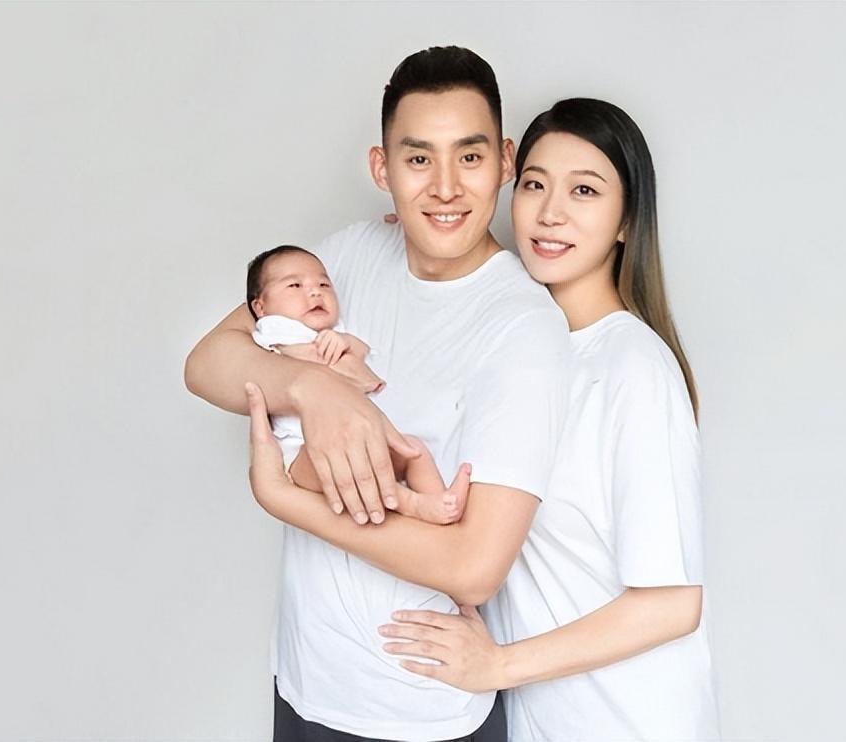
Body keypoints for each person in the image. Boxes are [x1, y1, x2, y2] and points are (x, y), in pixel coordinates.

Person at [186, 46, 571, 741]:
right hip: (304, 683)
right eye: (419, 158)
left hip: (416, 712)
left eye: (470, 156)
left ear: (506, 161)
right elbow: (208, 360)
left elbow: (474, 569)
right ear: (382, 168)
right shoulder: (346, 257)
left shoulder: (522, 326)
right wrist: (312, 388)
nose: (445, 187)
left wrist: (286, 499)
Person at [367, 99, 722, 740]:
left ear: (626, 221)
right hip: (539, 722)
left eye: (584, 190)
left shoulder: (632, 367)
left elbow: (673, 603)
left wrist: (497, 665)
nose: (550, 212)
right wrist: (427, 236)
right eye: (534, 185)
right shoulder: (517, 347)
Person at [247, 244, 471, 525]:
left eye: (324, 284)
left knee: (412, 449)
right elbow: (308, 361)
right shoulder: (275, 329)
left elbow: (361, 354)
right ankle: (413, 504)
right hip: (301, 454)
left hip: (357, 439)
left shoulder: (333, 330)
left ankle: (439, 499)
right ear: (261, 306)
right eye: (295, 285)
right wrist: (336, 351)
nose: (315, 292)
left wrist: (345, 342)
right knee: (353, 469)